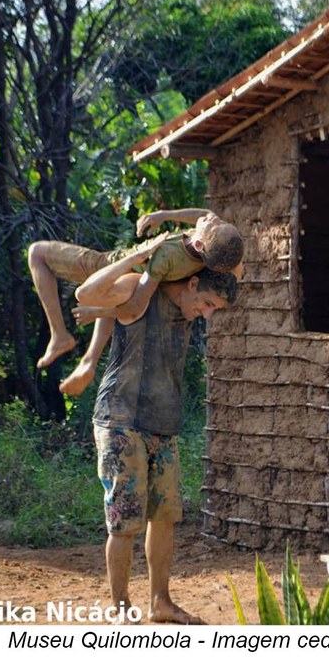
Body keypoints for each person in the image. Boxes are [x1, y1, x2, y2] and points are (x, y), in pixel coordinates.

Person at [91, 261, 238, 624]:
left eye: (213, 309)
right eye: (207, 304)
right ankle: (121, 608)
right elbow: (90, 292)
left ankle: (161, 602)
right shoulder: (138, 289)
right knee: (124, 521)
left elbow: (232, 255)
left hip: (163, 425)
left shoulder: (190, 306)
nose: (206, 314)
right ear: (192, 283)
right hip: (121, 420)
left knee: (165, 517)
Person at [27, 208, 243, 395]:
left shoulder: (166, 257)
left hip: (113, 266)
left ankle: (60, 335)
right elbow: (205, 214)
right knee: (110, 295)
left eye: (212, 222)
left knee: (37, 253)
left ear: (199, 244)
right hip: (130, 274)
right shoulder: (213, 250)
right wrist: (163, 215)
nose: (210, 219)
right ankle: (89, 360)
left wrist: (97, 312)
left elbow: (137, 303)